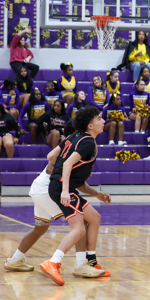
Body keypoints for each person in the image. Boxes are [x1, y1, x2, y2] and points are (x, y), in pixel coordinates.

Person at [5, 127, 107, 277]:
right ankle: (81, 265)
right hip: (48, 190)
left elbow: (75, 181)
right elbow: (54, 167)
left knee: (40, 228)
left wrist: (96, 193)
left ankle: (15, 260)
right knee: (82, 221)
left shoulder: (70, 149)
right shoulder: (70, 151)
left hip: (39, 188)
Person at [39, 107, 111, 285]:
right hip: (62, 189)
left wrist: (97, 194)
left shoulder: (73, 136)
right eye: (99, 118)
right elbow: (68, 164)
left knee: (94, 218)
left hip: (62, 186)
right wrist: (64, 189)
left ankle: (89, 262)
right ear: (90, 125)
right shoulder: (88, 142)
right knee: (78, 229)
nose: (103, 121)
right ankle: (53, 262)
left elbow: (51, 155)